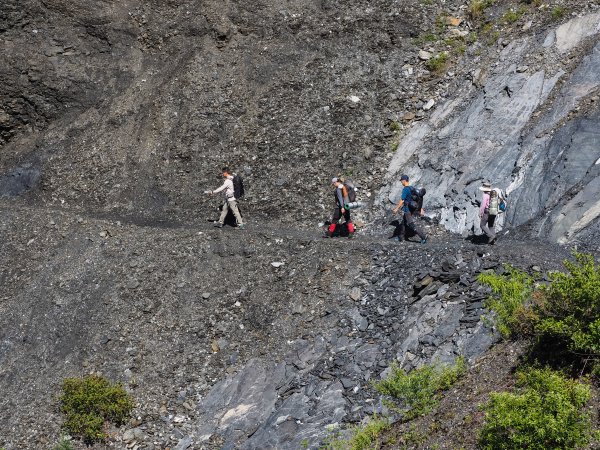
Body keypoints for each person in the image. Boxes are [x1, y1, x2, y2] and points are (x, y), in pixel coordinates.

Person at [392, 174, 427, 244]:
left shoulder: (405, 189)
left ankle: (423, 237)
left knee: (411, 224)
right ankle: (401, 238)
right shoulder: (411, 188)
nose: (401, 182)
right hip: (411, 209)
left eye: (401, 180)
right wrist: (420, 208)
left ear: (404, 180)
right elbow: (417, 199)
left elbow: (402, 200)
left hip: (407, 210)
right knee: (403, 223)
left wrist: (396, 209)